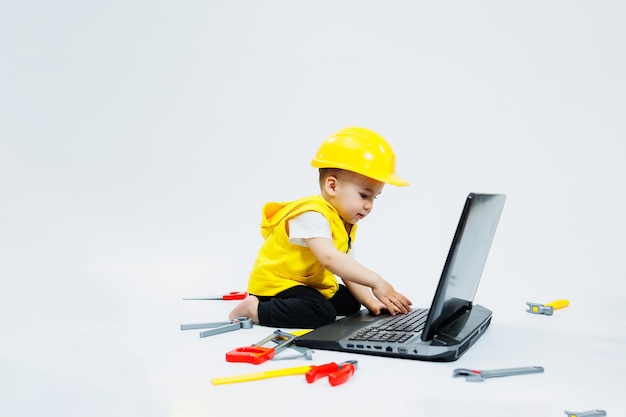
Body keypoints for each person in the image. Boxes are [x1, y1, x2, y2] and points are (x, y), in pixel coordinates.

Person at [228, 127, 412, 328]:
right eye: (363, 195)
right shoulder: (312, 215)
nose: (369, 205)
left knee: (351, 303)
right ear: (332, 186)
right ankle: (254, 310)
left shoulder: (344, 221)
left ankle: (294, 305)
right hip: (277, 284)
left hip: (305, 283)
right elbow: (330, 258)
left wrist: (371, 302)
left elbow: (346, 266)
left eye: (374, 198)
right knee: (322, 313)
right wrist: (376, 282)